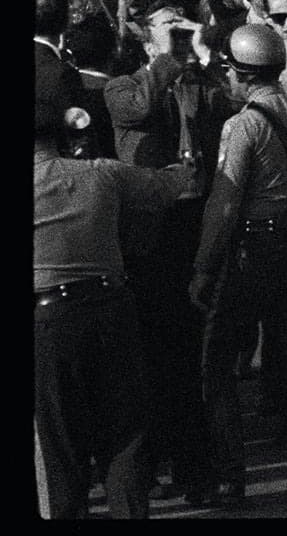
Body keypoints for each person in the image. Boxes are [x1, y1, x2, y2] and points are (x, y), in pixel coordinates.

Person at [37, 48, 211, 522]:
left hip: (46, 321)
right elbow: (167, 187)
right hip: (111, 308)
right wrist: (183, 169)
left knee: (62, 447)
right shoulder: (101, 175)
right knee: (125, 436)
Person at [191, 21, 287, 507]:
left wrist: (204, 266)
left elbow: (225, 205)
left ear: (241, 74)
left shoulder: (243, 126)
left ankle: (233, 478)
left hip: (252, 253)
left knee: (217, 365)